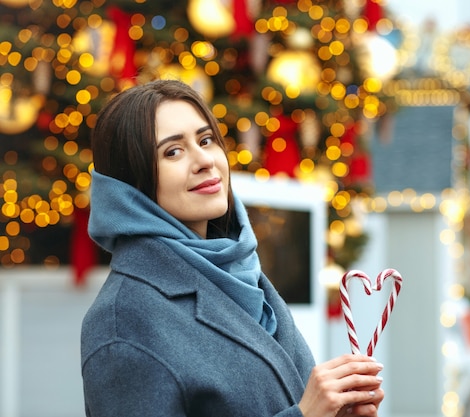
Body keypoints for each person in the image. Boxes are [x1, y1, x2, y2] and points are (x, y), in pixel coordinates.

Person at [81, 79, 384, 417]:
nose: (204, 160)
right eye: (173, 151)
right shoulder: (123, 322)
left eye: (206, 139)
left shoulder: (241, 274)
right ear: (131, 183)